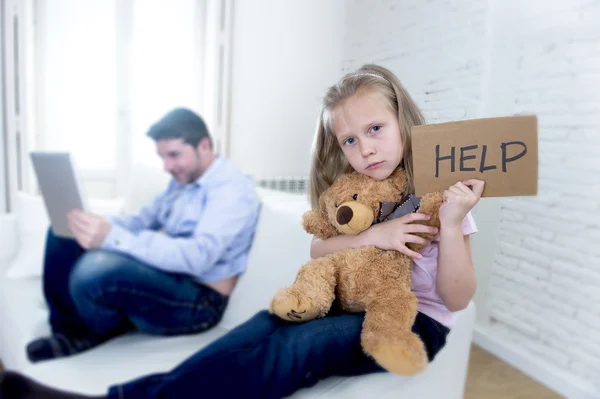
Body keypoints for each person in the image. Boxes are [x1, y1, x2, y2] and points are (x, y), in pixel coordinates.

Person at [0, 64, 484, 399]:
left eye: (376, 129)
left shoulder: (441, 196)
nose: (365, 148)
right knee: (255, 329)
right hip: (345, 299)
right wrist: (373, 236)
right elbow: (320, 249)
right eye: (350, 140)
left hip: (409, 320)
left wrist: (451, 221)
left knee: (294, 348)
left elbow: (457, 300)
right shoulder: (354, 194)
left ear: (404, 121)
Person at [24, 107, 261, 363]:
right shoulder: (182, 181)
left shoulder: (232, 190)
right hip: (166, 277)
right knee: (65, 231)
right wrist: (100, 224)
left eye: (174, 155)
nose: (167, 166)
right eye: (162, 157)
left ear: (204, 146)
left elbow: (198, 257)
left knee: (95, 269)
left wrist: (113, 237)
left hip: (199, 302)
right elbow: (142, 221)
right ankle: (69, 331)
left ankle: (100, 328)